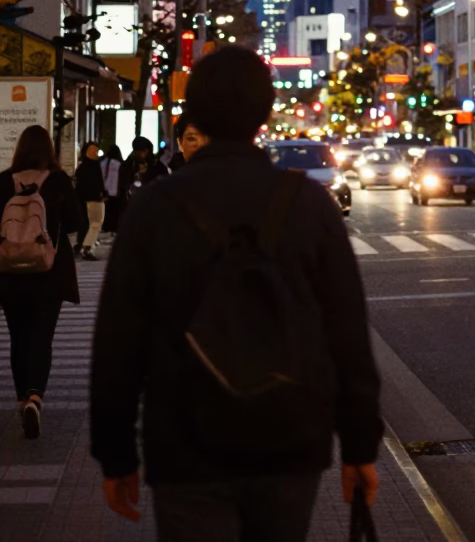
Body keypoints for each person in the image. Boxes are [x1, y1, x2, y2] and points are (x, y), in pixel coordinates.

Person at [91, 45, 382, 540]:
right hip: (288, 438)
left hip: (186, 440)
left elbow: (119, 338)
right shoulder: (307, 204)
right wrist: (359, 446)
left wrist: (115, 453)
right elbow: (347, 334)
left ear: (196, 112)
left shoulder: (155, 207)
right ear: (265, 112)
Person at [0, 124, 80, 439]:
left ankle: (22, 399)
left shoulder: (4, 181)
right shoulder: (58, 181)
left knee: (18, 337)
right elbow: (76, 222)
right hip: (49, 273)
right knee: (41, 337)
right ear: (49, 149)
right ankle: (35, 395)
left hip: (8, 274)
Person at [74, 141, 107, 261]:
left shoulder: (94, 164)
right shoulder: (86, 167)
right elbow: (84, 185)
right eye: (92, 149)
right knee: (96, 223)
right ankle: (86, 248)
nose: (95, 152)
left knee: (95, 223)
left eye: (96, 149)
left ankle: (86, 246)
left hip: (95, 198)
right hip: (91, 199)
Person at [117, 135, 168, 203]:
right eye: (142, 151)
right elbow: (123, 187)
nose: (143, 153)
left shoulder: (158, 166)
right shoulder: (128, 165)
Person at [101, 145, 123, 235]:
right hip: (115, 191)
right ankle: (113, 228)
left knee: (107, 211)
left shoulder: (103, 163)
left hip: (105, 190)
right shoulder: (119, 164)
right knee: (114, 211)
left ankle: (106, 227)